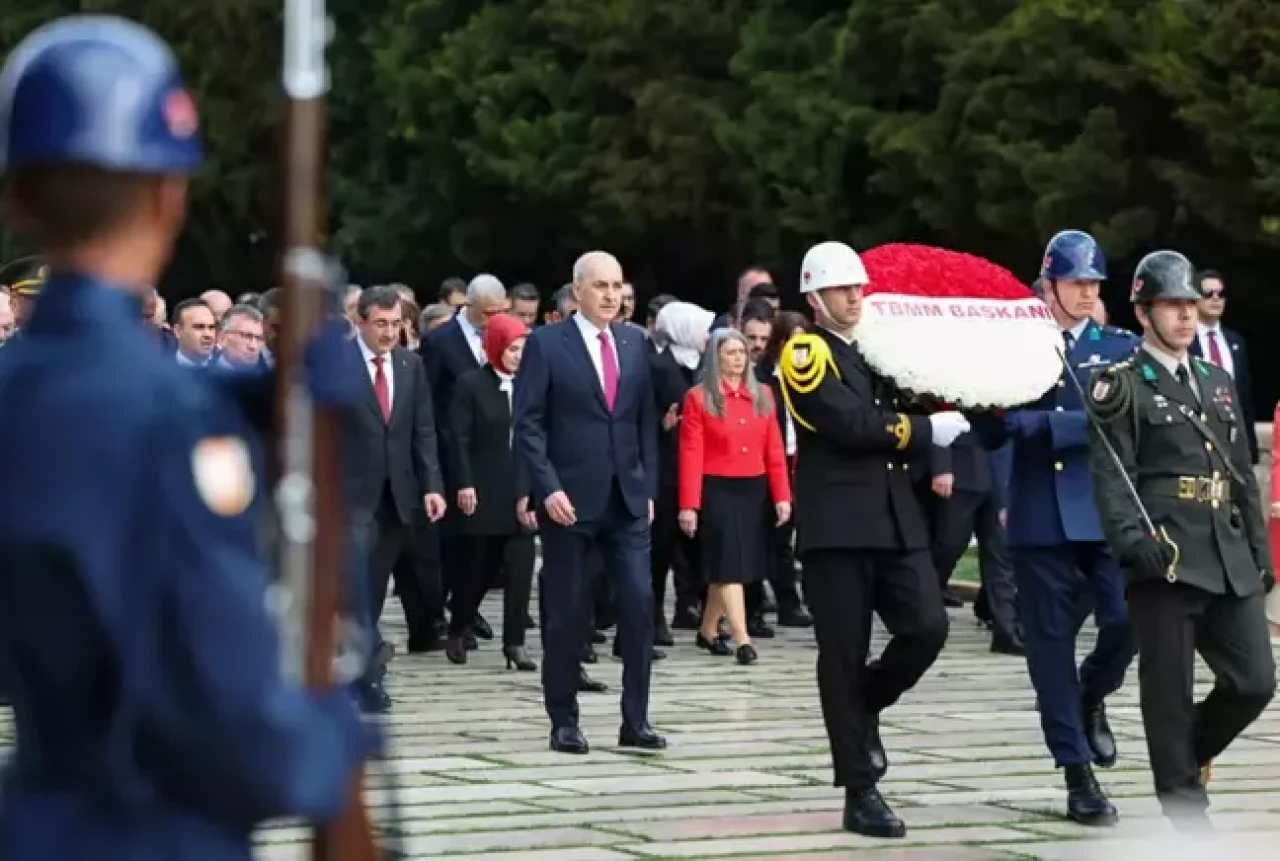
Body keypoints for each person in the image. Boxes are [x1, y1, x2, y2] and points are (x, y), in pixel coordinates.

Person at [0, 16, 375, 858]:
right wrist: (332, 737)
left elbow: (85, 403)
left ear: (17, 197)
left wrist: (254, 393)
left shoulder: (22, 394)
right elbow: (238, 734)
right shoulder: (173, 423)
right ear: (172, 196)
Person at [779, 240, 967, 838]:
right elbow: (850, 424)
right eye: (841, 290)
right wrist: (923, 429)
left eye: (859, 288)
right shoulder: (805, 352)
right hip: (839, 525)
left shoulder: (874, 350)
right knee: (842, 653)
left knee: (927, 627)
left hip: (893, 518)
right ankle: (859, 789)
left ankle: (863, 709)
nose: (855, 297)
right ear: (814, 298)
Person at [1087, 249, 1276, 829]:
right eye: (1173, 305)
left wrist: (1262, 552)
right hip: (1165, 554)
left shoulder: (1217, 382)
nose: (1187, 317)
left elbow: (1241, 468)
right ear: (1143, 312)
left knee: (1254, 682)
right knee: (1167, 692)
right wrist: (1129, 540)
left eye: (1191, 305)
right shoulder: (1120, 385)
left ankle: (1182, 758)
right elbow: (1112, 473)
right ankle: (1188, 818)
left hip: (1225, 549)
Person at [975, 229, 1139, 826]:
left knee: (1127, 619)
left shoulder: (1118, 345)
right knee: (1048, 650)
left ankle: (1093, 695)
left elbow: (1114, 418)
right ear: (1048, 285)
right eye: (1077, 282)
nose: (1087, 293)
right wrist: (977, 399)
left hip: (1102, 510)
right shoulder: (1017, 345)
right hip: (1041, 514)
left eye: (1094, 283)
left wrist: (1042, 425)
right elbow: (993, 429)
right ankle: (1076, 773)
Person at [513, 249, 662, 756]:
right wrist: (547, 487)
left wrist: (648, 488)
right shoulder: (546, 345)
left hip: (627, 499)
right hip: (569, 501)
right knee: (567, 612)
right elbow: (528, 424)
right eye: (600, 285)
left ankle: (636, 719)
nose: (611, 294)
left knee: (640, 603)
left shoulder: (635, 343)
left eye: (617, 285)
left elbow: (643, 421)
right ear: (577, 291)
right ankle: (563, 719)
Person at [341, 285, 448, 712]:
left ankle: (360, 669)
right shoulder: (340, 365)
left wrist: (433, 485)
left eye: (396, 323)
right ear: (360, 322)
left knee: (374, 590)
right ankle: (367, 677)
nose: (389, 332)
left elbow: (422, 429)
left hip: (396, 496)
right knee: (356, 591)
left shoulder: (410, 365)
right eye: (380, 324)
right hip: (349, 497)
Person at [678, 328, 791, 665]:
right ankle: (743, 638)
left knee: (732, 564)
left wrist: (782, 495)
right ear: (716, 357)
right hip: (717, 487)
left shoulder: (765, 396)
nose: (739, 358)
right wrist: (689, 505)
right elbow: (691, 453)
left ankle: (708, 630)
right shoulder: (699, 398)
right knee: (730, 565)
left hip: (753, 488)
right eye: (730, 352)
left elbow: (774, 450)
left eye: (742, 352)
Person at [446, 313, 537, 671]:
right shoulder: (471, 384)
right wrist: (464, 483)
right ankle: (459, 623)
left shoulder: (532, 383)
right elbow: (459, 439)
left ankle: (514, 643)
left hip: (522, 486)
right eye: (512, 348)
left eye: (522, 349)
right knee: (477, 570)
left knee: (521, 567)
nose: (518, 355)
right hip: (484, 487)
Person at [650, 300, 715, 637]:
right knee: (661, 547)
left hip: (701, 468)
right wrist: (662, 424)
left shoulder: (705, 365)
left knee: (701, 545)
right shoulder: (657, 366)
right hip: (667, 468)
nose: (707, 335)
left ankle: (702, 613)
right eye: (701, 328)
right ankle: (655, 616)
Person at [1190, 270, 1258, 463]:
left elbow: (1245, 399)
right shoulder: (1184, 341)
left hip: (1234, 444)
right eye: (1209, 294)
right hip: (1197, 444)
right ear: (1195, 299)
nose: (1216, 299)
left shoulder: (1236, 342)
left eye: (1221, 294)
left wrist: (1250, 450)